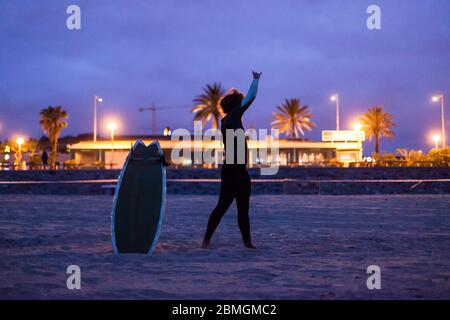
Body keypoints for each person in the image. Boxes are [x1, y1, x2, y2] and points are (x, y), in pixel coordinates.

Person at [202, 71, 262, 249]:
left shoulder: (231, 119)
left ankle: (247, 243)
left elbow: (247, 99)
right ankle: (205, 242)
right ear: (237, 106)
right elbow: (251, 97)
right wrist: (256, 80)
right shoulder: (233, 117)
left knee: (242, 209)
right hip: (232, 171)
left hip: (241, 171)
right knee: (222, 207)